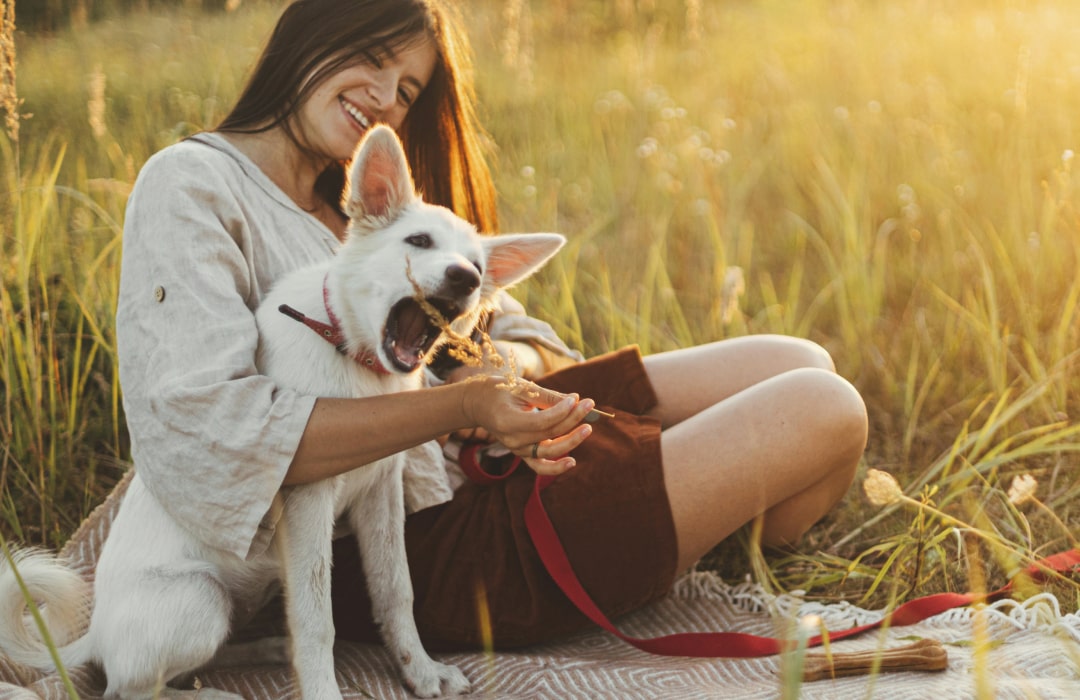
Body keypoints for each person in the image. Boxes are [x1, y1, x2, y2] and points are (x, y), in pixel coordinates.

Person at [116, 0, 868, 653]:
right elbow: (215, 431)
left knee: (796, 359)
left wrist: (501, 367)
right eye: (372, 59)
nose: (385, 98)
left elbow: (523, 333)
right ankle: (667, 522)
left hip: (477, 455)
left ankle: (685, 526)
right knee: (823, 408)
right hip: (415, 542)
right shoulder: (194, 185)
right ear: (308, 31)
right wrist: (460, 406)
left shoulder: (366, 195)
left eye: (407, 89)